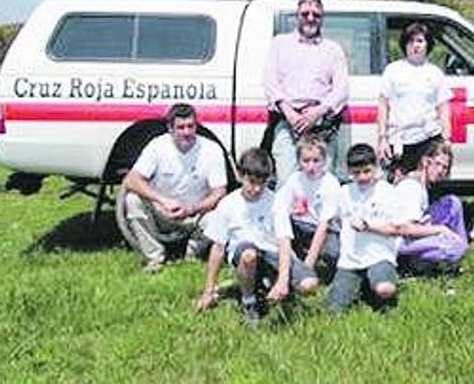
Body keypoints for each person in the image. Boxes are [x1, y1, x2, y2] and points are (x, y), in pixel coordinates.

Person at [196, 148, 318, 325]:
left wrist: (284, 280)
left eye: (262, 183)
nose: (257, 189)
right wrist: (208, 291)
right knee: (249, 255)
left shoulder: (276, 202)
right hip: (246, 252)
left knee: (309, 284)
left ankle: (270, 283)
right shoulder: (227, 204)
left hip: (272, 254)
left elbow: (284, 242)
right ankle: (249, 301)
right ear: (240, 175)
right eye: (252, 182)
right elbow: (218, 248)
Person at [122, 103, 227, 273]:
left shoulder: (211, 150)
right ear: (170, 128)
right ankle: (155, 257)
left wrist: (192, 208)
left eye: (191, 126)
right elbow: (131, 180)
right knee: (132, 200)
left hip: (196, 215)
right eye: (181, 127)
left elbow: (220, 191)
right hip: (162, 211)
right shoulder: (157, 146)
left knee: (220, 213)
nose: (187, 132)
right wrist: (163, 201)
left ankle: (192, 254)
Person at [263, 0, 349, 183]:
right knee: (287, 183)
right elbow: (270, 81)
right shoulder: (280, 44)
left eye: (316, 15)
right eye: (305, 14)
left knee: (322, 184)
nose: (310, 18)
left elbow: (341, 89)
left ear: (322, 18)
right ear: (297, 16)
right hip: (287, 123)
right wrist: (290, 113)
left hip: (322, 125)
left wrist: (317, 112)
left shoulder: (333, 49)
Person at [327, 144, 400, 312]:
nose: (362, 177)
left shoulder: (387, 191)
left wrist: (369, 227)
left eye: (367, 171)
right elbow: (328, 218)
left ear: (376, 167)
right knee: (334, 308)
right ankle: (360, 286)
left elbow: (396, 228)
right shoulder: (344, 192)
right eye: (356, 173)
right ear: (349, 171)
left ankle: (375, 285)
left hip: (379, 255)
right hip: (351, 260)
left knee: (385, 289)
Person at [377, 22, 452, 180]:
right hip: (400, 140)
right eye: (410, 41)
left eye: (419, 41)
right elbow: (383, 106)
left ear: (427, 44)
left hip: (429, 138)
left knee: (429, 187)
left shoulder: (435, 73)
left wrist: (446, 140)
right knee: (399, 186)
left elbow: (443, 109)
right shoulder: (393, 70)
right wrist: (382, 139)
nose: (415, 46)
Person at [394, 141, 468, 274]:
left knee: (452, 203)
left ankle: (462, 247)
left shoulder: (421, 183)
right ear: (425, 162)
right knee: (454, 247)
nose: (440, 171)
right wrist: (441, 229)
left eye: (445, 167)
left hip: (415, 231)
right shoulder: (412, 187)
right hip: (401, 242)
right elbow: (405, 229)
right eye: (437, 164)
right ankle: (413, 262)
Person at [273, 136, 342, 277]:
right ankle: (284, 266)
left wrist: (308, 264)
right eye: (306, 161)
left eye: (316, 161)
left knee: (333, 252)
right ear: (298, 161)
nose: (311, 166)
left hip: (324, 229)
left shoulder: (330, 183)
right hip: (300, 225)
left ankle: (312, 267)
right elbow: (280, 210)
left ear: (324, 160)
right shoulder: (294, 179)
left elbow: (324, 225)